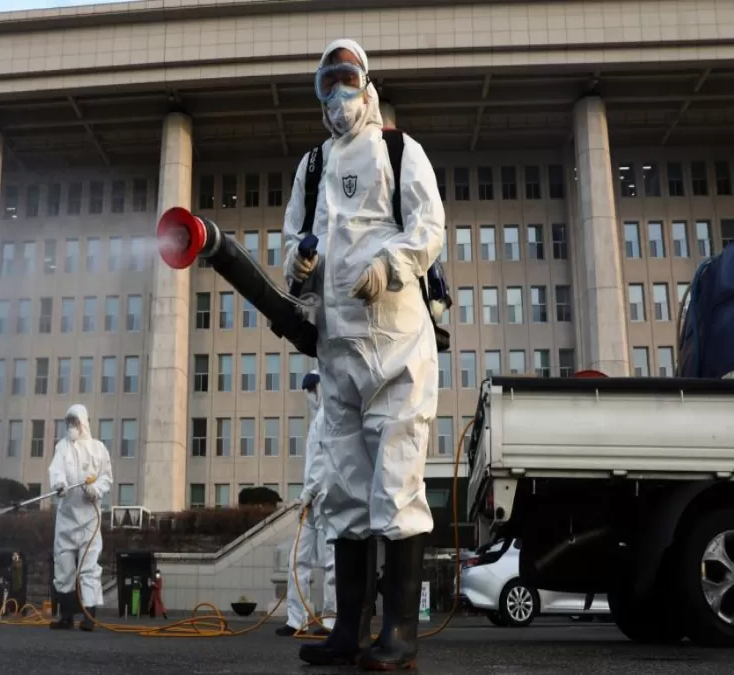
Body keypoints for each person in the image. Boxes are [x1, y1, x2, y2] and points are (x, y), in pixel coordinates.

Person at [284, 38, 444, 671]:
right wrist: (298, 266)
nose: (336, 96)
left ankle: (399, 633)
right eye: (325, 85)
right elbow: (295, 238)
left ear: (367, 83)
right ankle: (348, 629)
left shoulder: (399, 152)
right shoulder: (312, 167)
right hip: (338, 355)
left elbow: (429, 228)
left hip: (397, 348)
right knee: (346, 494)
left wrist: (389, 263)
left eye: (345, 80)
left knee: (396, 486)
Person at [276, 369, 337, 637]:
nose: (311, 393)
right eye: (308, 389)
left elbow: (324, 460)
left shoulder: (329, 416)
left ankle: (332, 622)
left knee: (331, 562)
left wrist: (310, 491)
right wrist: (306, 495)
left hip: (327, 499)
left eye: (314, 387)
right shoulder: (316, 421)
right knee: (297, 559)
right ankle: (296, 619)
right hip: (312, 501)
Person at [48, 403, 113, 632]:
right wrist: (59, 484)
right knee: (63, 567)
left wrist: (95, 490)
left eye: (75, 422)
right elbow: (56, 470)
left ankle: (89, 617)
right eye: (68, 422)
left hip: (89, 521)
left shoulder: (98, 449)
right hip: (66, 518)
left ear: (83, 423)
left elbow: (106, 478)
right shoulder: (62, 447)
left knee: (88, 569)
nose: (71, 426)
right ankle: (66, 617)